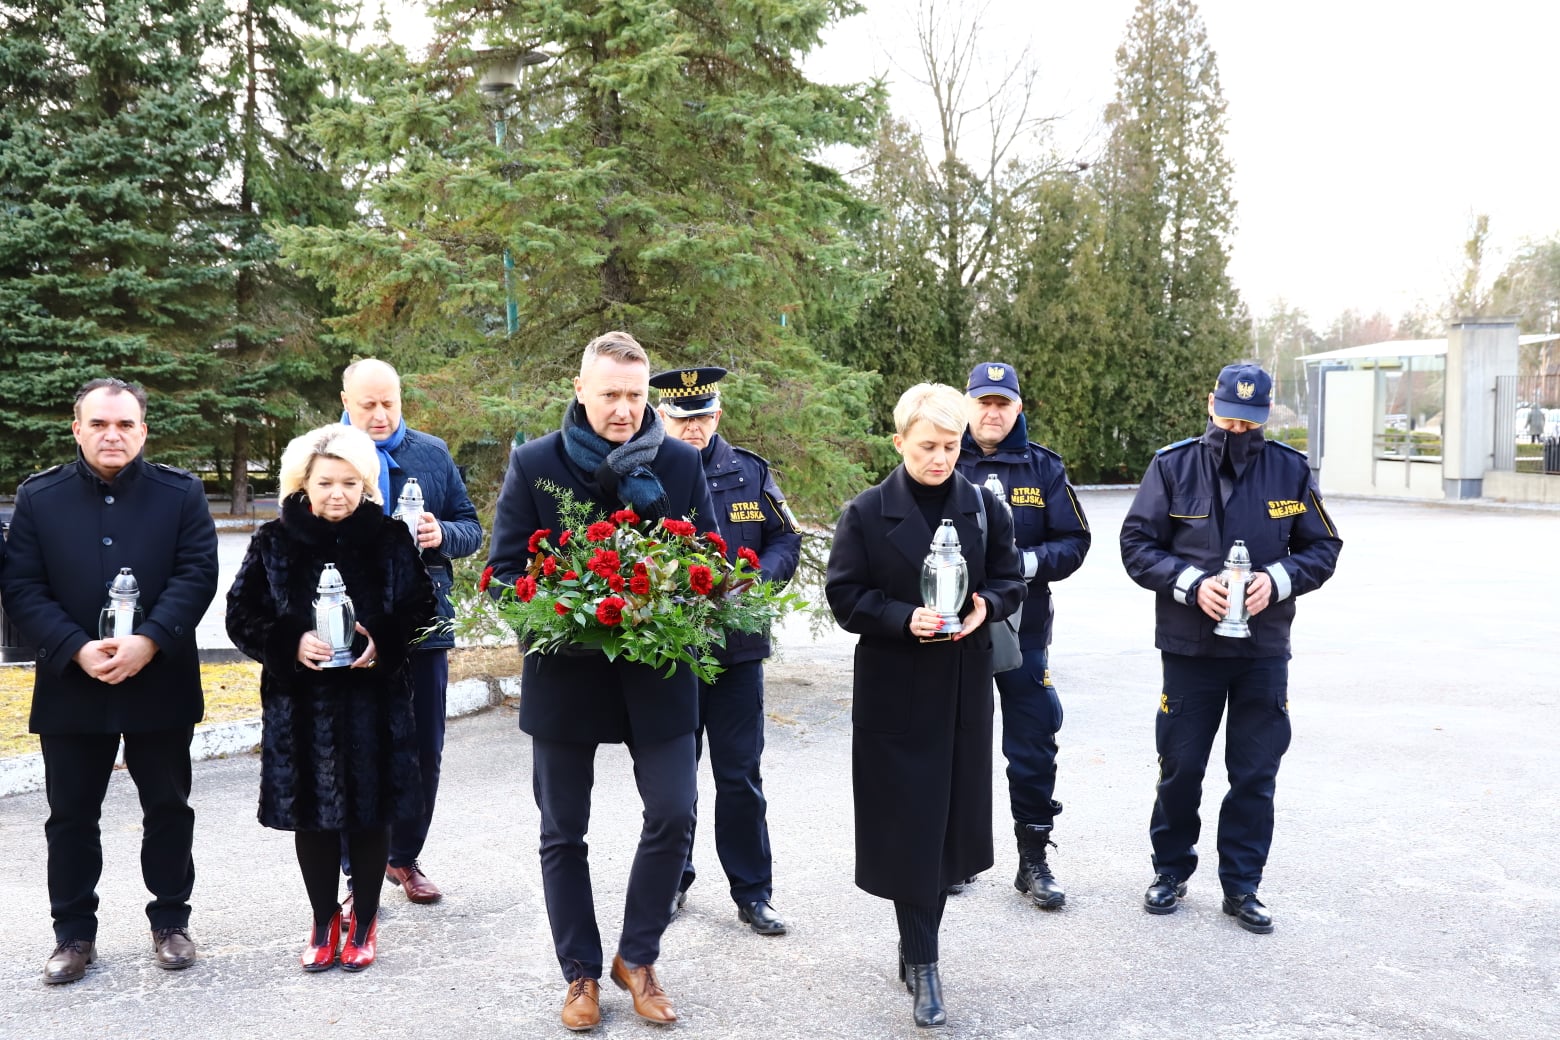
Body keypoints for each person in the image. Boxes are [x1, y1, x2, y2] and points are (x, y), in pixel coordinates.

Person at [487, 331, 718, 1031]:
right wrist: (561, 617)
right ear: (581, 389)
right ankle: (580, 975)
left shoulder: (679, 463)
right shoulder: (535, 464)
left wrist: (669, 607)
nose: (623, 409)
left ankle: (637, 957)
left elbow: (711, 560)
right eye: (610, 394)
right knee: (563, 831)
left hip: (659, 673)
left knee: (675, 812)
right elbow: (502, 575)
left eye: (635, 395)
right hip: (566, 675)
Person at [0, 378, 219, 985]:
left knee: (168, 808)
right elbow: (20, 586)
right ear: (77, 428)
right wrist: (74, 647)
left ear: (143, 430)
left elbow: (198, 574)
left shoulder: (181, 494)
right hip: (72, 683)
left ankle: (171, 922)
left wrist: (149, 640)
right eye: (99, 424)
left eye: (124, 424)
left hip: (160, 679)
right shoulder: (39, 498)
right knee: (70, 815)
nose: (112, 434)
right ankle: (73, 935)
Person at [825, 383, 1026, 1028]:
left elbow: (1010, 580)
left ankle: (918, 950)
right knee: (909, 830)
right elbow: (844, 595)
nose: (940, 459)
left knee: (946, 834)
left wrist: (986, 606)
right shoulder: (865, 512)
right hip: (895, 690)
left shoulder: (985, 509)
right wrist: (899, 617)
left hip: (963, 690)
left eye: (950, 446)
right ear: (900, 442)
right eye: (927, 447)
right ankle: (927, 965)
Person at [1120, 362, 1342, 934]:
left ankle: (1242, 887)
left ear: (1265, 417)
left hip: (1262, 652)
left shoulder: (1290, 473)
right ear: (1209, 403)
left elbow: (1323, 547)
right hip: (1190, 649)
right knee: (1180, 767)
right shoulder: (1172, 466)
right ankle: (1169, 872)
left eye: (1250, 423)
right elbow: (1136, 543)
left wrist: (1280, 579)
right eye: (1229, 419)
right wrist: (1191, 584)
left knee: (1255, 772)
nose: (1238, 431)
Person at [225, 424, 434, 972]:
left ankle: (364, 921)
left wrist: (383, 643)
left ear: (366, 485)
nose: (336, 494)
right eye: (324, 483)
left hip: (375, 709)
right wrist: (289, 640)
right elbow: (240, 615)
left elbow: (422, 611)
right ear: (303, 484)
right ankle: (323, 921)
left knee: (370, 818)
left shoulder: (389, 539)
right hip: (301, 711)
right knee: (312, 821)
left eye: (349, 483)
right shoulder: (274, 540)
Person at [650, 366, 802, 936]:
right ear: (664, 417)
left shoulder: (750, 472)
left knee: (739, 777)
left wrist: (760, 580)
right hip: (673, 654)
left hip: (737, 653)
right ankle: (671, 883)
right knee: (674, 782)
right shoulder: (647, 473)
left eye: (703, 418)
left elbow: (786, 535)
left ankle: (753, 891)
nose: (694, 429)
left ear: (718, 416)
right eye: (683, 419)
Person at [338, 358, 483, 904]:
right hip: (351, 628)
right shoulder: (323, 453)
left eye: (389, 404)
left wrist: (438, 532)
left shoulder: (432, 452)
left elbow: (471, 529)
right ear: (346, 400)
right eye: (367, 405)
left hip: (424, 626)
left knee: (423, 748)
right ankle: (358, 874)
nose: (379, 415)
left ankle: (403, 858)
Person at [954, 362, 1091, 908]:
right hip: (952, 628)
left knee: (1032, 743)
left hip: (1023, 630)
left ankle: (1033, 858)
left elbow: (1075, 540)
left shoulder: (1045, 469)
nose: (991, 413)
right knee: (955, 741)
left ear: (1018, 407)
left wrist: (1022, 564)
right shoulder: (943, 455)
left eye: (1002, 403)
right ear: (967, 405)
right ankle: (954, 857)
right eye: (982, 402)